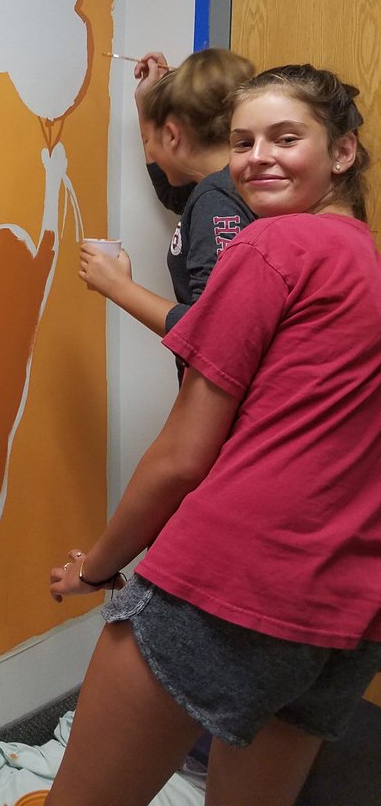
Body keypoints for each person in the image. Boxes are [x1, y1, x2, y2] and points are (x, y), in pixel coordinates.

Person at [48, 64, 381, 806]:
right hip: (346, 611)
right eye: (242, 141)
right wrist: (144, 110)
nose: (258, 156)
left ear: (343, 153)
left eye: (285, 138)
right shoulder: (364, 261)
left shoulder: (271, 250)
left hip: (229, 582)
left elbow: (182, 457)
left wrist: (98, 569)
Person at [80, 49, 256, 353]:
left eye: (150, 139)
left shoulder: (215, 199)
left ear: (172, 137)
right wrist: (145, 106)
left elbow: (217, 331)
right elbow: (174, 195)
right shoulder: (225, 186)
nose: (150, 148)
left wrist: (120, 288)